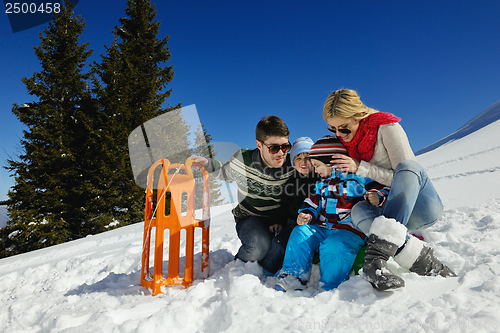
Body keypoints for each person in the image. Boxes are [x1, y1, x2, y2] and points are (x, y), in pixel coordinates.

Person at [322, 88, 456, 291]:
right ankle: (421, 264)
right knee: (358, 210)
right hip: (389, 209)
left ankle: (375, 258)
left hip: (419, 205)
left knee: (408, 167)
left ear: (359, 115)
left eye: (344, 128)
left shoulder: (387, 127)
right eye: (333, 129)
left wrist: (361, 168)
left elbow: (407, 177)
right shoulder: (350, 143)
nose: (339, 135)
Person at [275, 136, 390, 292]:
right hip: (323, 227)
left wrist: (378, 195)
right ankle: (293, 276)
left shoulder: (357, 179)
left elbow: (382, 187)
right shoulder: (321, 183)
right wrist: (307, 214)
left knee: (334, 246)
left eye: (317, 165)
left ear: (331, 162)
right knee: (300, 232)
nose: (315, 170)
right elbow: (313, 202)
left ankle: (329, 285)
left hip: (348, 230)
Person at [188, 115, 295, 274]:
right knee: (258, 247)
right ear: (259, 144)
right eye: (274, 148)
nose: (281, 153)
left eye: (285, 147)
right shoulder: (244, 160)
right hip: (250, 217)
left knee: (284, 251)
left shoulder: (292, 165)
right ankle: (236, 271)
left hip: (279, 220)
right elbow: (225, 171)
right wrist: (207, 164)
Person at [278, 137, 321, 250]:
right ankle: (269, 268)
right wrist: (279, 222)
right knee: (278, 245)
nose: (304, 162)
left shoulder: (321, 179)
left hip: (317, 225)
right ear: (293, 162)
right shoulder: (291, 183)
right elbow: (283, 206)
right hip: (293, 223)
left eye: (308, 157)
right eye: (299, 158)